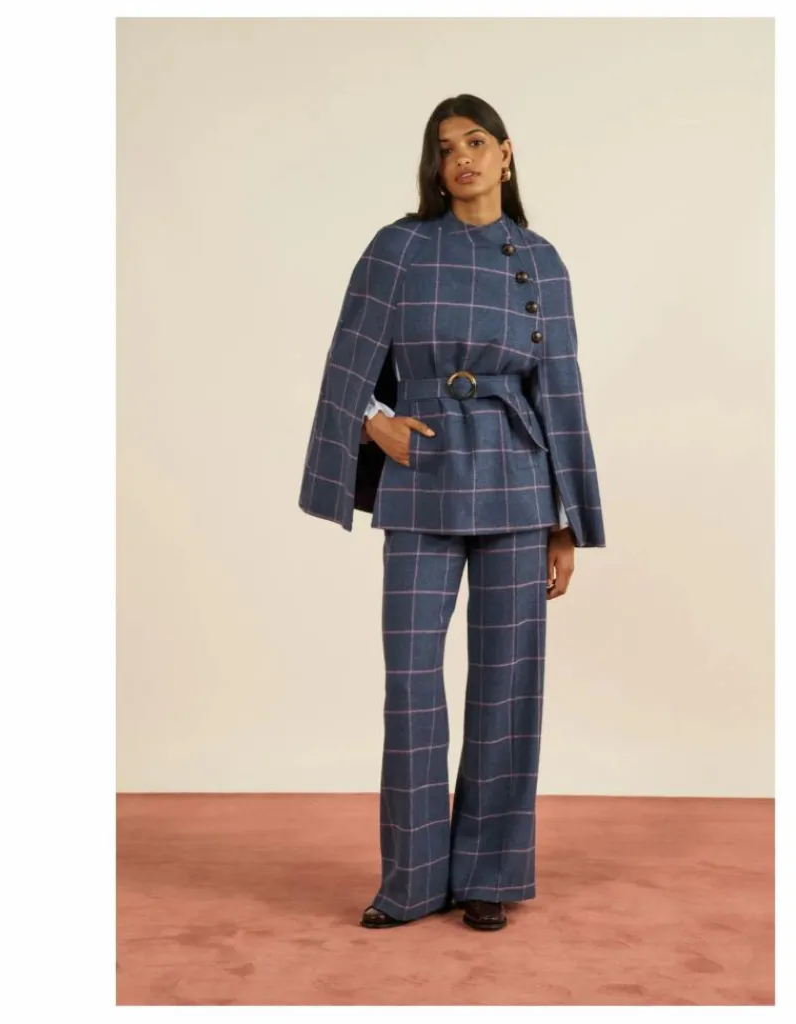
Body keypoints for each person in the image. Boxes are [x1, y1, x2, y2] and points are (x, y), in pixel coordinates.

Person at [299, 94, 605, 932]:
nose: (460, 159)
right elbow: (346, 362)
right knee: (410, 685)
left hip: (517, 477)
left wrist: (567, 522)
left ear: (506, 153)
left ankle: (489, 876)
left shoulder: (540, 262)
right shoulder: (397, 247)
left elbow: (562, 391)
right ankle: (411, 880)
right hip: (423, 474)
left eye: (475, 142)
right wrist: (374, 421)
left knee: (509, 685)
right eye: (445, 148)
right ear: (434, 166)